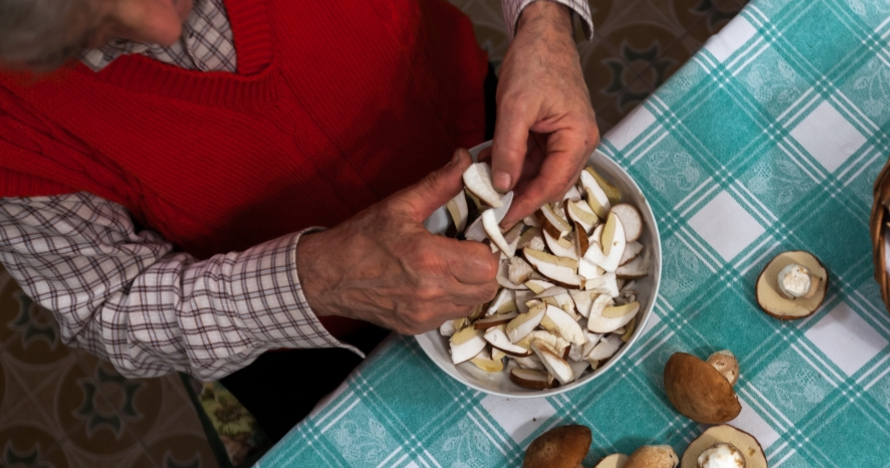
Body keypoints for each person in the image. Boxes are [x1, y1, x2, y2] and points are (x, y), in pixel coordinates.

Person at [0, 0, 599, 440]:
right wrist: (319, 278)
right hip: (303, 342)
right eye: (87, 29)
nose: (160, 25)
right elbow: (108, 306)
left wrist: (544, 23)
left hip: (481, 134)